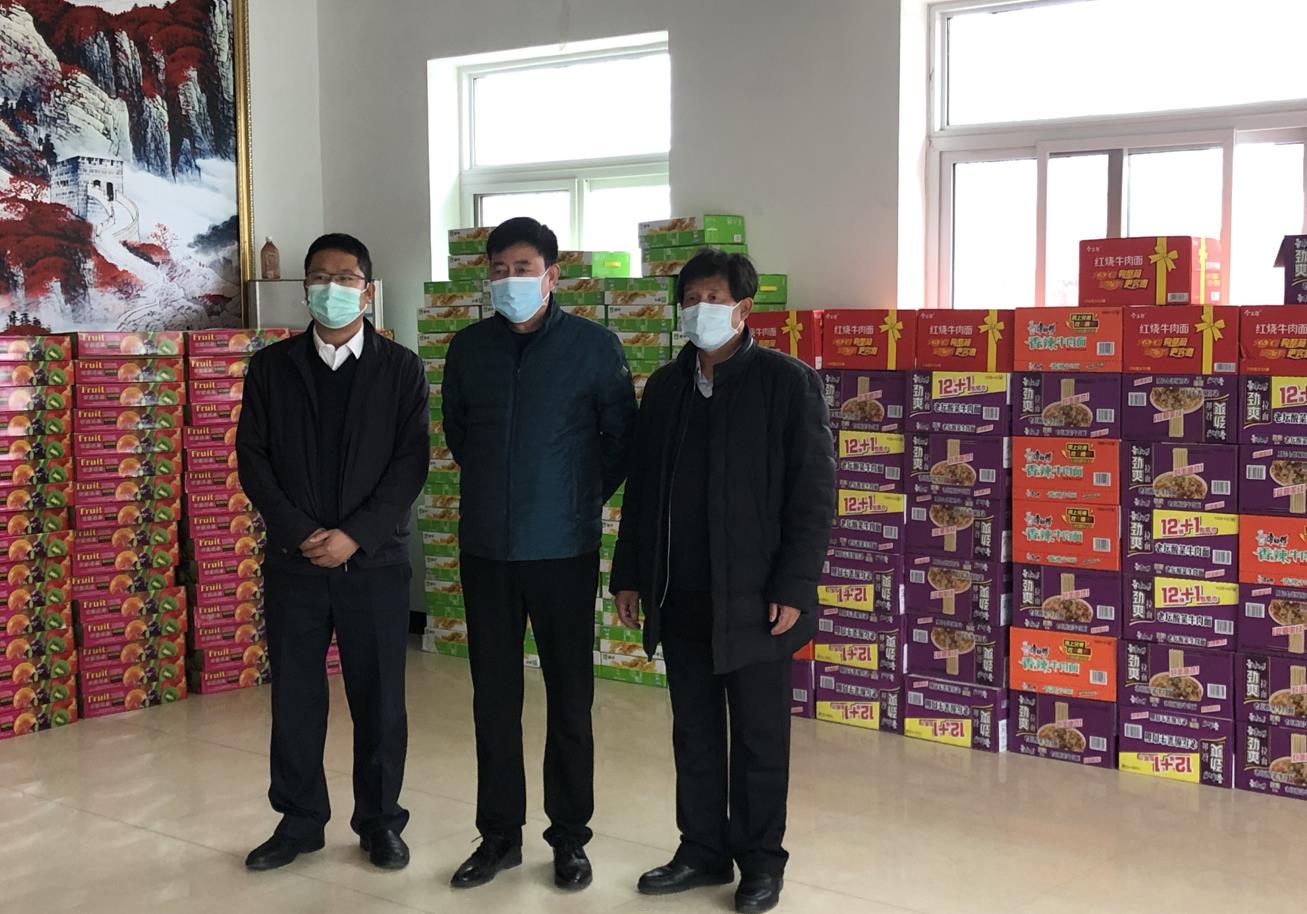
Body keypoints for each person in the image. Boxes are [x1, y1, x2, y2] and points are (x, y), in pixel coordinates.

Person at [609, 249, 836, 914]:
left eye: (713, 298)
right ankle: (701, 849)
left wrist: (794, 585)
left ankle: (761, 862)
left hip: (758, 598)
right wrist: (630, 575)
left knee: (760, 738)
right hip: (681, 593)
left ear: (744, 308)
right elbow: (642, 491)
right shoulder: (666, 387)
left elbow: (813, 495)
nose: (699, 310)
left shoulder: (786, 383)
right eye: (690, 299)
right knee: (695, 732)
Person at [442, 217, 637, 891]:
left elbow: (620, 440)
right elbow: (460, 434)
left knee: (569, 699)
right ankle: (498, 836)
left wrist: (573, 495)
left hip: (563, 549)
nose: (509, 280)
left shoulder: (593, 347)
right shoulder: (469, 348)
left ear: (552, 275)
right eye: (498, 269)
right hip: (487, 550)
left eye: (522, 268)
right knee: (493, 700)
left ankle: (569, 838)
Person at [237, 233, 430, 873]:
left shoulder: (400, 369)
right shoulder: (271, 369)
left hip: (374, 564)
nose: (332, 288)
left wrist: (356, 535)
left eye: (345, 278)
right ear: (304, 289)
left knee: (379, 701)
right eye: (320, 277)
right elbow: (253, 460)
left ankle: (380, 822)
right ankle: (298, 821)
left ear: (367, 292)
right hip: (294, 564)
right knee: (295, 697)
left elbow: (409, 465)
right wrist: (298, 531)